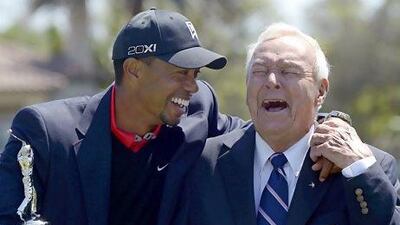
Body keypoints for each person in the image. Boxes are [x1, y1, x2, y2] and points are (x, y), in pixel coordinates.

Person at [0, 8, 246, 225]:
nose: (192, 86)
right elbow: (10, 217)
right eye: (181, 73)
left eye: (196, 74)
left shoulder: (200, 110)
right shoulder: (45, 133)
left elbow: (261, 135)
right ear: (133, 69)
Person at [187, 23, 400, 225]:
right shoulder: (204, 163)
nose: (271, 81)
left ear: (321, 91)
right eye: (259, 71)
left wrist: (358, 167)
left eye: (288, 71)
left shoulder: (365, 168)